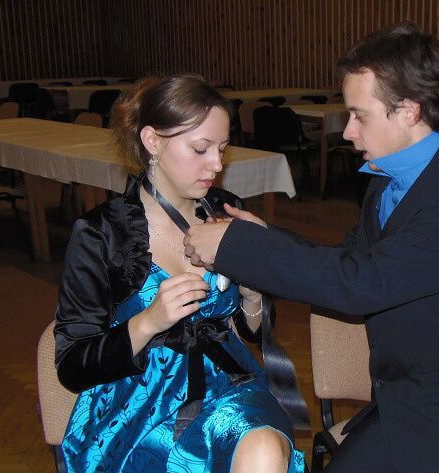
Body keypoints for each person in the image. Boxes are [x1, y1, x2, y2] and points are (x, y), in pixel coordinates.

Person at [184, 23, 439, 473]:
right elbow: (353, 263)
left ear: (409, 111)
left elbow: (361, 284)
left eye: (359, 115)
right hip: (409, 401)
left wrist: (237, 247)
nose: (348, 132)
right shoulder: (389, 178)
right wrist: (262, 237)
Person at [53, 74, 307, 473]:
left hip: (228, 386)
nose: (217, 165)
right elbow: (72, 365)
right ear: (152, 141)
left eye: (222, 149)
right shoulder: (101, 234)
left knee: (262, 449)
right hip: (134, 404)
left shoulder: (227, 212)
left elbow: (251, 330)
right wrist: (149, 321)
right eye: (201, 149)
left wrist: (254, 292)